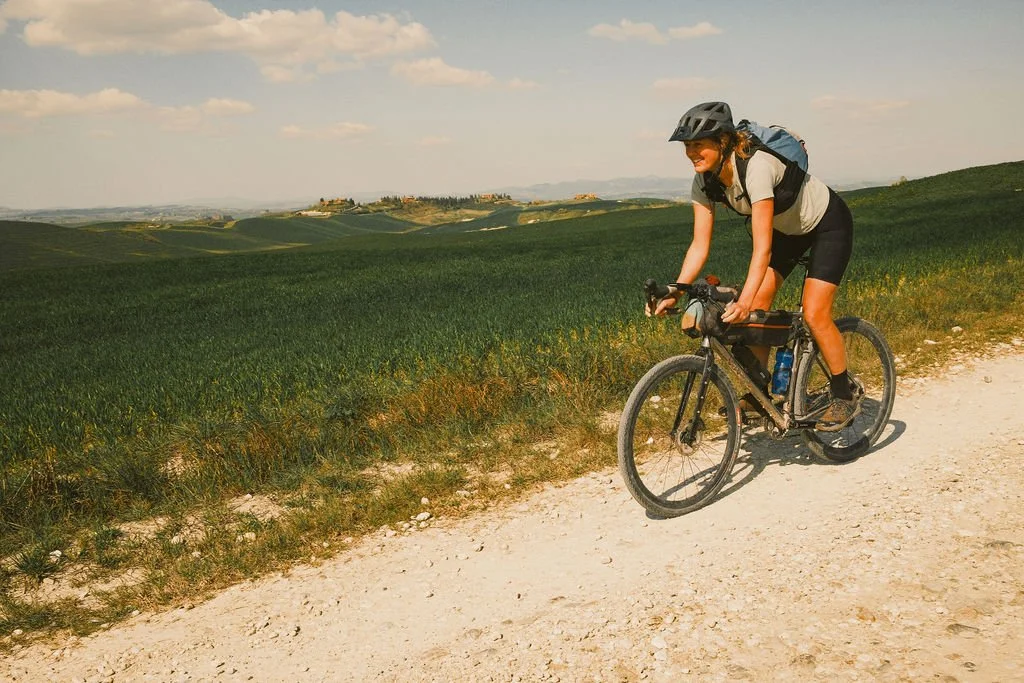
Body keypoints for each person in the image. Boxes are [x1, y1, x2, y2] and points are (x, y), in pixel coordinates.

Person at [655, 101, 858, 431]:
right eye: (687, 146)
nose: (691, 153)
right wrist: (676, 291)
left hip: (826, 224)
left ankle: (843, 393)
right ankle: (760, 394)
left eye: (698, 144)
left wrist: (744, 299)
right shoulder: (704, 182)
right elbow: (699, 245)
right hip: (787, 232)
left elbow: (762, 249)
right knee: (757, 309)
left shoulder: (757, 166)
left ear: (722, 142)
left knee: (814, 312)